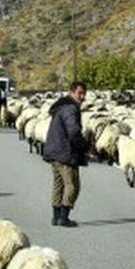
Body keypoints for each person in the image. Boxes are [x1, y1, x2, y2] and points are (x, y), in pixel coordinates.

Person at [42, 81, 87, 227]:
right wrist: (84, 146)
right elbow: (73, 131)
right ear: (72, 92)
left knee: (58, 185)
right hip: (65, 152)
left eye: (84, 93)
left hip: (55, 151)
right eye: (79, 93)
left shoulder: (61, 107)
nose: (82, 97)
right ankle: (64, 217)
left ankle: (56, 217)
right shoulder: (70, 109)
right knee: (72, 185)